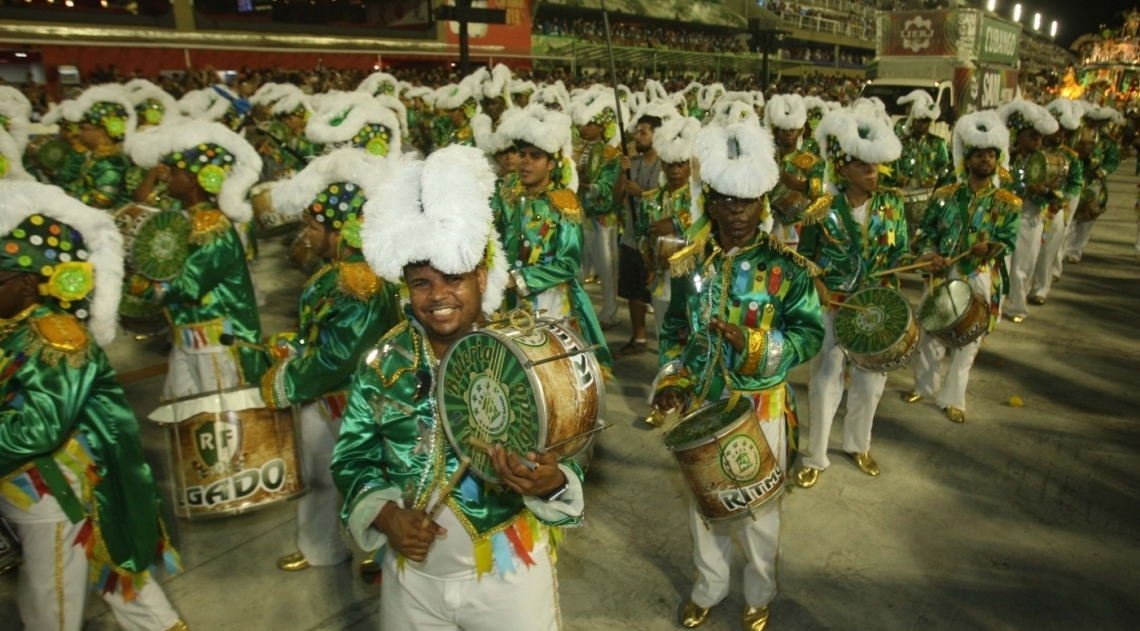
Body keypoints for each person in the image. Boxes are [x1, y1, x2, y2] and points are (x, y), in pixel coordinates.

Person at [333, 145, 586, 631]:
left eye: (453, 278)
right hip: (412, 579)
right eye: (421, 283)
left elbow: (566, 456)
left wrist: (550, 482)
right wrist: (386, 516)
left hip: (509, 575)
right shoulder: (385, 364)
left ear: (482, 276)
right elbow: (352, 458)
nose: (439, 296)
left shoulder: (524, 354)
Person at [650, 119, 824, 631]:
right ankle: (709, 586)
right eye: (725, 200)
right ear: (711, 200)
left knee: (759, 513)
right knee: (705, 507)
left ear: (763, 202)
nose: (736, 212)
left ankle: (760, 591)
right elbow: (676, 330)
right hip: (704, 406)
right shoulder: (691, 264)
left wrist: (753, 346)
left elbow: (808, 336)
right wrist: (671, 381)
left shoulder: (788, 269)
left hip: (761, 406)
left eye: (746, 202)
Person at [0, 181, 187, 631]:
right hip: (36, 491)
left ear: (28, 283)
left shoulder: (58, 338)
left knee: (51, 608)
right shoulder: (15, 327)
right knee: (123, 585)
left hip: (54, 497)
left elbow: (36, 430)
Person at [263, 149, 404, 572]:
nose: (305, 235)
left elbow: (340, 357)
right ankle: (320, 547)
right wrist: (293, 344)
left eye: (311, 225)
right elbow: (325, 336)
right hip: (329, 398)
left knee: (363, 475)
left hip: (350, 400)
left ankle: (381, 553)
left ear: (340, 228)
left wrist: (285, 380)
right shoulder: (339, 271)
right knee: (321, 479)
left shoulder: (356, 280)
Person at [796, 107, 912, 488]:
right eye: (864, 166)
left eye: (876, 166)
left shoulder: (893, 204)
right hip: (835, 306)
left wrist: (920, 260)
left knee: (870, 380)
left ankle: (858, 444)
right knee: (825, 379)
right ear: (843, 169)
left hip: (877, 307)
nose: (873, 172)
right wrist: (818, 285)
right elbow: (808, 260)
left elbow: (901, 254)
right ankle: (816, 454)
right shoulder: (821, 209)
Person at [124, 121, 267, 399]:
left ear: (191, 180)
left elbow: (189, 285)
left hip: (217, 342)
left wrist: (138, 285)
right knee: (184, 416)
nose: (166, 178)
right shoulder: (184, 217)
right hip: (187, 337)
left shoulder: (213, 227)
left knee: (221, 419)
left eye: (173, 173)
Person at [902, 110, 1022, 423]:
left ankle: (953, 398)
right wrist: (930, 254)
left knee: (971, 337)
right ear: (967, 158)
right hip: (944, 271)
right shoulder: (944, 195)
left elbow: (1008, 241)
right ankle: (924, 387)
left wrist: (990, 248)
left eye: (991, 155)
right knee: (929, 331)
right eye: (980, 154)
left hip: (981, 275)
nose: (986, 160)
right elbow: (925, 233)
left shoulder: (1008, 203)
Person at [493, 105, 614, 372]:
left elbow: (569, 265)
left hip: (550, 304)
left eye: (535, 156)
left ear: (551, 164)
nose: (525, 162)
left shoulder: (564, 204)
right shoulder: (507, 193)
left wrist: (521, 279)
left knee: (548, 372)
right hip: (507, 300)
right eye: (522, 154)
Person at [635, 114, 699, 355]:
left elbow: (707, 229)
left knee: (694, 333)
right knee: (665, 335)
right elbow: (641, 233)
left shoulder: (699, 200)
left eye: (681, 164)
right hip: (661, 279)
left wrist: (675, 223)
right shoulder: (650, 200)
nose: (675, 171)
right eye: (670, 164)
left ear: (689, 165)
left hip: (693, 278)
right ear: (662, 164)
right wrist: (649, 254)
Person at [998, 99, 1058, 324]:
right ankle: (995, 303)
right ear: (1019, 136)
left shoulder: (1045, 161)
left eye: (1040, 137)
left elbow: (1056, 193)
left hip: (1030, 217)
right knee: (1002, 262)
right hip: (1004, 216)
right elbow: (1000, 184)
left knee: (1024, 264)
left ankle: (1017, 306)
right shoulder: (1005, 158)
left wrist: (1045, 191)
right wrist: (1024, 189)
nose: (1037, 140)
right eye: (1032, 135)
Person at [615, 108, 667, 356]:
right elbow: (617, 198)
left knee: (660, 294)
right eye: (637, 132)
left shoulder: (666, 167)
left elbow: (671, 198)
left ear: (656, 136)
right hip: (631, 238)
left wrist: (642, 194)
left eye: (643, 133)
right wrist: (620, 174)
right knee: (633, 291)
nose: (638, 137)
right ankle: (639, 337)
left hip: (657, 240)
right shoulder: (632, 163)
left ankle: (668, 340)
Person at [572, 93, 626, 330]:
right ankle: (579, 313)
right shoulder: (577, 149)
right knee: (578, 268)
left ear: (603, 127)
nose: (585, 127)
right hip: (581, 217)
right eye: (584, 123)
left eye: (591, 124)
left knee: (607, 270)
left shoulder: (610, 155)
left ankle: (609, 314)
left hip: (603, 220)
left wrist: (579, 183)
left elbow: (604, 189)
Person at [46, 84, 137, 210]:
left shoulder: (112, 162)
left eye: (84, 129)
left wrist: (69, 203)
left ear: (103, 131)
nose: (78, 133)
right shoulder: (98, 156)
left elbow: (103, 200)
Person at [1030, 99, 1084, 304]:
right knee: (1028, 252)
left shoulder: (1072, 158)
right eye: (1055, 129)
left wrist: (1059, 200)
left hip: (1054, 208)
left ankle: (1040, 289)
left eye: (1063, 131)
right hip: (1031, 207)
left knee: (1047, 251)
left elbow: (1074, 184)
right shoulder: (1034, 152)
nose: (1058, 134)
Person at [764, 93, 827, 250]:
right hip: (766, 223)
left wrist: (801, 185)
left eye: (792, 129)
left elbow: (825, 190)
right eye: (783, 130)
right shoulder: (766, 159)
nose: (788, 133)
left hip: (798, 227)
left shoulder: (810, 162)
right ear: (775, 131)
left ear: (800, 131)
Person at [1063, 105, 1122, 264]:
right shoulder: (1076, 136)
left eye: (1099, 122)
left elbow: (1112, 162)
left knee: (1087, 217)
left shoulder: (1109, 142)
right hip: (1074, 179)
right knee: (1068, 216)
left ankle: (1074, 251)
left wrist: (1098, 169)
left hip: (1095, 182)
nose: (1094, 125)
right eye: (1091, 121)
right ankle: (1062, 249)